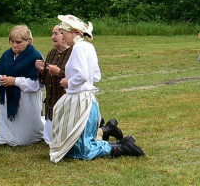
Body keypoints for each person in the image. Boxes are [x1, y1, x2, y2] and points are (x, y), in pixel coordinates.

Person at [50, 14, 143, 162]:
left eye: (64, 33)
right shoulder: (88, 46)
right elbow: (96, 76)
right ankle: (117, 143)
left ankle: (119, 148)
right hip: (88, 100)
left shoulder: (78, 48)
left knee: (82, 150)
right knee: (74, 144)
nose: (63, 36)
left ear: (73, 32)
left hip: (80, 101)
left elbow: (83, 76)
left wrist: (69, 82)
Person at [0, 25, 44, 146]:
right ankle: (6, 135)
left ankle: (32, 133)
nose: (15, 45)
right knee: (4, 137)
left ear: (28, 41)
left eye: (18, 42)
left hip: (26, 99)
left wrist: (15, 81)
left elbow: (37, 84)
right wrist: (1, 79)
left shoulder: (34, 56)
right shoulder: (7, 55)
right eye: (12, 42)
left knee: (24, 139)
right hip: (6, 97)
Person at [36, 23, 72, 144]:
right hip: (52, 105)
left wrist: (59, 73)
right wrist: (42, 71)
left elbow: (81, 78)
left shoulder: (74, 53)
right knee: (50, 140)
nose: (52, 37)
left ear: (64, 35)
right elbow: (45, 81)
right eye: (53, 33)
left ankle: (104, 131)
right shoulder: (52, 53)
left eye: (56, 33)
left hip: (68, 106)